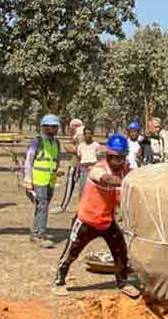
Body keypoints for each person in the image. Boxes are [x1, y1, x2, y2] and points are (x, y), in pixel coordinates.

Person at [53, 134, 138, 298]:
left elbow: (129, 183)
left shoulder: (124, 171)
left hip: (107, 222)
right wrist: (125, 182)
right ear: (108, 156)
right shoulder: (98, 168)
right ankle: (59, 282)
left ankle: (123, 283)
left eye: (123, 157)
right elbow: (105, 178)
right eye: (116, 158)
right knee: (71, 253)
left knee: (120, 251)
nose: (120, 162)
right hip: (87, 221)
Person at [25, 114, 63, 248]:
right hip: (39, 180)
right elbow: (29, 162)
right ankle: (40, 236)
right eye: (53, 126)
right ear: (45, 127)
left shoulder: (56, 142)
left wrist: (57, 171)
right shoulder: (37, 141)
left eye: (56, 126)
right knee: (43, 207)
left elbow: (55, 160)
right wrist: (28, 181)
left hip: (51, 180)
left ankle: (35, 233)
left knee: (41, 207)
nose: (56, 129)